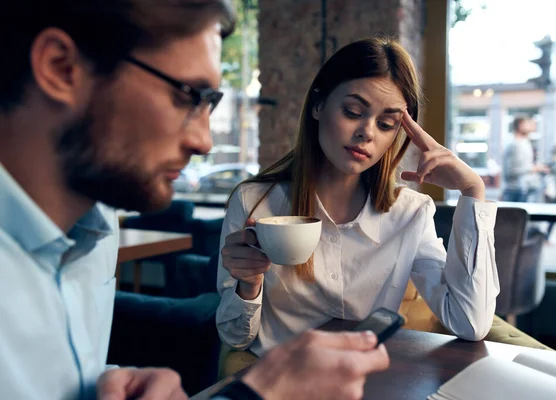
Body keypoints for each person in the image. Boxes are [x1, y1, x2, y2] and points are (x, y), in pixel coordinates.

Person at [0, 1, 388, 399]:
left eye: (211, 103)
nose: (204, 141)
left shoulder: (96, 231)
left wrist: (111, 382)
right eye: (188, 96)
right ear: (61, 69)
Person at [216, 37, 500, 358]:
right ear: (318, 105)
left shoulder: (411, 213)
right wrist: (248, 287)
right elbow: (234, 337)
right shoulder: (254, 202)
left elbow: (470, 323)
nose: (367, 132)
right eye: (353, 111)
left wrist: (472, 192)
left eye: (386, 123)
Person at [501, 115, 549, 202]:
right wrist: (534, 168)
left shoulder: (526, 143)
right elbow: (511, 171)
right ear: (520, 125)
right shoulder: (515, 145)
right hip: (516, 191)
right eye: (528, 123)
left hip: (525, 190)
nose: (532, 125)